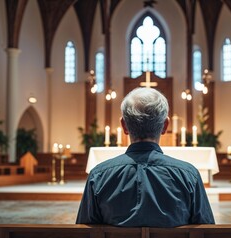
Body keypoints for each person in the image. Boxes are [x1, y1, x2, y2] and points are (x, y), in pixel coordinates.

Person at [76, 87, 215, 227]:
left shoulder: (99, 176)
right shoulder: (189, 175)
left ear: (124, 125)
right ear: (165, 126)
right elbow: (206, 231)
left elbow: (83, 231)